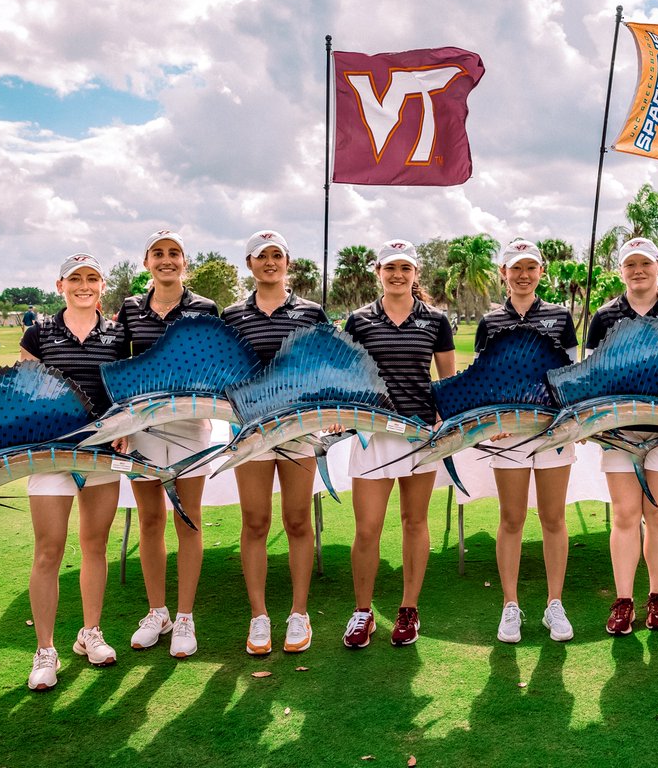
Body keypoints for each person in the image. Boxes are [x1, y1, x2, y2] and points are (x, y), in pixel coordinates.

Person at [18, 253, 128, 691]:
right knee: (48, 550)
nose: (84, 285)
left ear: (102, 285)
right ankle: (45, 650)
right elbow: (25, 393)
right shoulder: (38, 333)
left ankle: (90, 634)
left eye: (92, 278)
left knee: (95, 545)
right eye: (76, 279)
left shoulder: (118, 333)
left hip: (100, 454)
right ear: (60, 284)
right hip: (50, 456)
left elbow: (123, 395)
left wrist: (125, 431)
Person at [587, 237, 658, 636]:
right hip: (619, 436)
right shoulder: (604, 316)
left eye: (645, 263)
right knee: (623, 516)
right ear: (621, 271)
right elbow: (593, 376)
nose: (638, 271)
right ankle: (623, 601)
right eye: (630, 264)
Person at [342, 239, 455, 648]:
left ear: (415, 274)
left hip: (420, 435)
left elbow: (445, 382)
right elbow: (347, 375)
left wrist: (444, 420)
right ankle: (363, 612)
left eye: (405, 268)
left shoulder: (436, 320)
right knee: (368, 528)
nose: (397, 275)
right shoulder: (358, 320)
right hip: (373, 435)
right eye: (390, 268)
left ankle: (409, 610)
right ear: (378, 272)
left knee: (414, 522)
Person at [222, 230, 328, 655]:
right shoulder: (231, 315)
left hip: (300, 429)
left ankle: (298, 613)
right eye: (261, 256)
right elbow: (225, 372)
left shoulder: (311, 312)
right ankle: (259, 616)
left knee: (299, 521)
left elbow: (324, 367)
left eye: (277, 255)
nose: (270, 262)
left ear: (288, 262)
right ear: (249, 264)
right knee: (255, 522)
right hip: (251, 431)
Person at [116, 230, 220, 659]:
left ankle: (184, 618)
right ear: (146, 263)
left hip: (190, 426)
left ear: (184, 262)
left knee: (188, 520)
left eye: (173, 253)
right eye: (158, 254)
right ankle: (157, 611)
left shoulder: (205, 308)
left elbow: (215, 363)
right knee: (151, 521)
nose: (166, 260)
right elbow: (119, 366)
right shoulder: (129, 310)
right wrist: (119, 423)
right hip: (141, 427)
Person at [475, 239, 578, 643]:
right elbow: (484, 378)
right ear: (503, 273)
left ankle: (555, 604)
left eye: (530, 267)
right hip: (507, 435)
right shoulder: (489, 321)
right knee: (512, 519)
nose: (523, 275)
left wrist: (570, 417)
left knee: (553, 519)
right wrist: (492, 418)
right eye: (515, 268)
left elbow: (571, 373)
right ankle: (511, 606)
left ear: (541, 272)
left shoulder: (559, 316)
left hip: (551, 431)